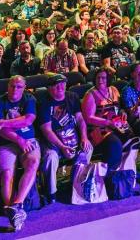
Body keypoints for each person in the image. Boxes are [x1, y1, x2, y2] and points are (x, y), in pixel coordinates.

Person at [0, 75, 39, 232]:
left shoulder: (29, 99)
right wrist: (18, 139)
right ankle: (12, 213)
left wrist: (4, 122)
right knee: (6, 174)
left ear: (24, 88)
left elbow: (28, 120)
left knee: (32, 162)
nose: (15, 89)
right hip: (4, 143)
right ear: (8, 85)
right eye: (12, 86)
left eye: (19, 87)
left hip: (29, 139)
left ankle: (17, 205)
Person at [37, 73, 93, 204]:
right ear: (49, 88)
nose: (61, 87)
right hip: (53, 143)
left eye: (63, 83)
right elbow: (46, 130)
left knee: (88, 148)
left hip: (73, 139)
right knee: (51, 157)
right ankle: (51, 192)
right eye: (57, 84)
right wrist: (62, 147)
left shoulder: (72, 97)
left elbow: (80, 119)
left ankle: (75, 183)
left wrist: (84, 137)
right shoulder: (44, 103)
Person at [81, 68, 140, 176]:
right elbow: (88, 118)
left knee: (132, 140)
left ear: (108, 79)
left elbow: (119, 107)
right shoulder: (90, 95)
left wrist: (122, 112)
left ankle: (125, 170)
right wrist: (107, 123)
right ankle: (109, 176)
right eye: (98, 78)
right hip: (98, 128)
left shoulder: (113, 89)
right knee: (115, 144)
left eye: (103, 78)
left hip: (116, 124)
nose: (100, 80)